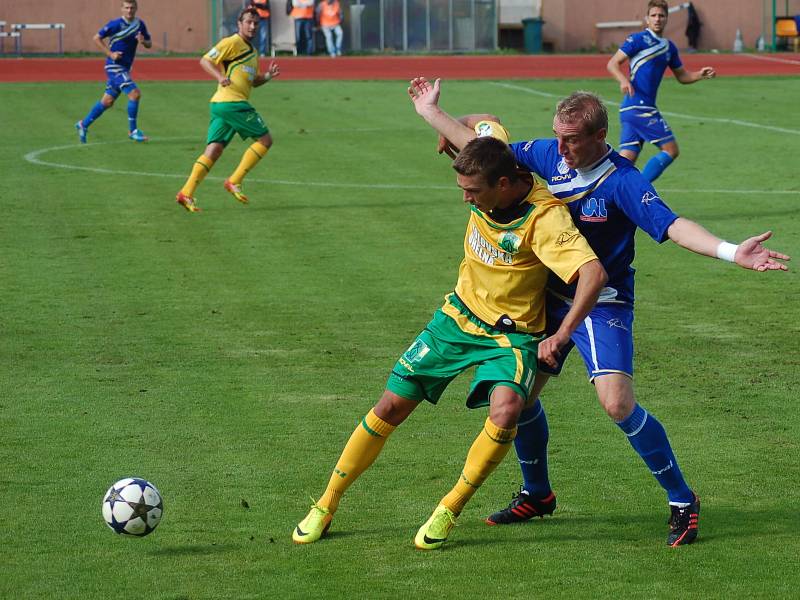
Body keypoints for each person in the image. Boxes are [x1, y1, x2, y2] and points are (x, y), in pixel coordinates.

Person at [409, 77, 790, 546]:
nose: (561, 147)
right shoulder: (550, 155)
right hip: (548, 300)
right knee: (521, 397)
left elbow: (672, 227)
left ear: (599, 138)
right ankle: (538, 494)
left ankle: (681, 499)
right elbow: (486, 151)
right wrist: (432, 112)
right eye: (558, 135)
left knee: (616, 403)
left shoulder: (624, 181)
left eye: (572, 139)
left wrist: (733, 252)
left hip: (602, 304)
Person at [292, 109, 609, 549]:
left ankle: (449, 509)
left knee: (506, 411)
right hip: (457, 319)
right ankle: (326, 503)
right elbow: (487, 119)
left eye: (472, 192)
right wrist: (444, 119)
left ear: (502, 185)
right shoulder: (491, 153)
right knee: (389, 406)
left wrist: (560, 334)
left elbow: (593, 274)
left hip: (511, 334)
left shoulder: (545, 219)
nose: (465, 200)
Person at [175, 7, 280, 213]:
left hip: (221, 105)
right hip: (232, 103)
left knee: (214, 150)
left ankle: (186, 193)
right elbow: (205, 60)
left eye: (255, 23)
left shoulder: (253, 52)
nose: (252, 26)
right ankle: (235, 180)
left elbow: (253, 81)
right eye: (248, 22)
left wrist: (267, 76)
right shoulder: (231, 42)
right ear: (239, 24)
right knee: (265, 140)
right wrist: (219, 77)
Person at [606, 0, 715, 182]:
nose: (657, 19)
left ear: (667, 19)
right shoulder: (638, 39)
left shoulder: (669, 47)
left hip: (631, 110)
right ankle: (638, 190)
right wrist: (623, 80)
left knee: (626, 161)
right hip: (640, 107)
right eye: (654, 15)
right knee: (671, 150)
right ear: (647, 19)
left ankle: (604, 196)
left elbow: (682, 76)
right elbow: (613, 63)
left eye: (661, 15)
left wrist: (700, 75)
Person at [75, 0, 151, 144]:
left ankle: (83, 124)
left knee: (107, 101)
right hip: (114, 67)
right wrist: (110, 54)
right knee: (134, 94)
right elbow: (96, 38)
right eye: (126, 7)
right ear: (122, 9)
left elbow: (149, 43)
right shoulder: (115, 24)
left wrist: (143, 41)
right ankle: (133, 131)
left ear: (136, 9)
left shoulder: (140, 25)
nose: (129, 10)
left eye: (132, 8)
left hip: (125, 67)